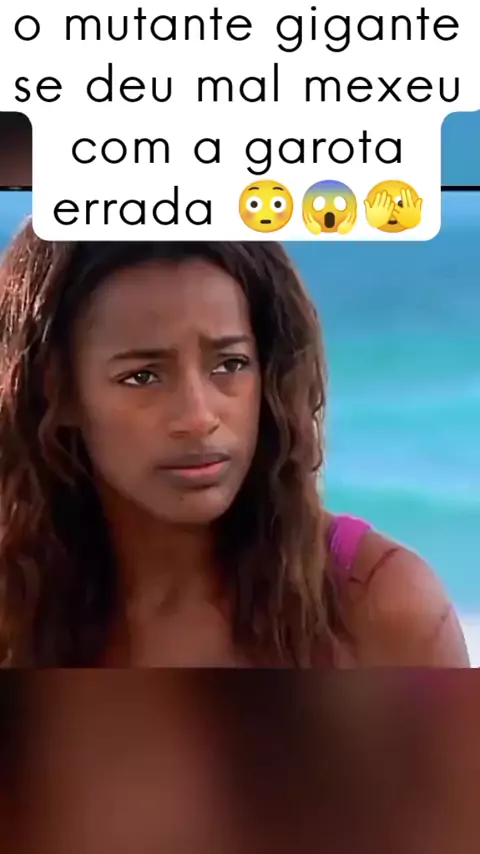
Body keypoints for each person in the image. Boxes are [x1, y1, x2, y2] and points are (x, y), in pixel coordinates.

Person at [0, 223, 469, 667]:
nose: (199, 416)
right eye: (142, 376)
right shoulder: (16, 610)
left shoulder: (377, 605)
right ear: (57, 391)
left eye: (230, 364)